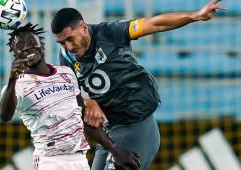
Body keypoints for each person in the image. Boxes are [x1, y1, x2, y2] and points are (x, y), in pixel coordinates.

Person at [51, 1, 225, 169]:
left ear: (83, 27)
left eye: (70, 39)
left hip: (137, 128)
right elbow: (70, 95)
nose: (68, 46)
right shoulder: (66, 57)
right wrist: (89, 101)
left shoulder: (110, 33)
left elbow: (155, 24)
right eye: (62, 43)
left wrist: (195, 16)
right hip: (111, 132)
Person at [0, 23, 141, 170]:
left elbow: (83, 118)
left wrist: (115, 150)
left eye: (31, 41)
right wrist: (11, 81)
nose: (27, 47)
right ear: (16, 54)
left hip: (79, 159)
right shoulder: (19, 84)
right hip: (50, 161)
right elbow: (4, 116)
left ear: (40, 44)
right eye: (20, 45)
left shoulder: (66, 73)